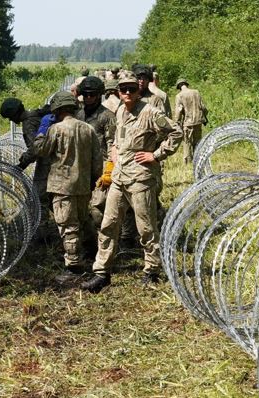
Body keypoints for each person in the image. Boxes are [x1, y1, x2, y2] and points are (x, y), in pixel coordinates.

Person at [81, 74, 183, 293]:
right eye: (123, 89)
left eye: (131, 89)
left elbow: (176, 132)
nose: (127, 93)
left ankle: (151, 270)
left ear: (138, 90)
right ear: (118, 91)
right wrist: (114, 154)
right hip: (120, 176)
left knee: (145, 227)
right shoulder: (120, 110)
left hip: (141, 177)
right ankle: (101, 272)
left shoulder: (149, 112)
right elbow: (117, 138)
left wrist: (155, 154)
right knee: (109, 224)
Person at [32, 92, 103, 281]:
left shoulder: (56, 129)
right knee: (83, 219)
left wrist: (41, 133)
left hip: (62, 186)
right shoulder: (88, 129)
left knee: (68, 226)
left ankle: (73, 266)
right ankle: (93, 252)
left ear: (57, 109)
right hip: (83, 184)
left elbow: (41, 150)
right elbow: (98, 160)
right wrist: (92, 179)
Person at [0, 97, 55, 240]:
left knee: (38, 196)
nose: (11, 121)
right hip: (57, 158)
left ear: (14, 115)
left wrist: (21, 165)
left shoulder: (28, 123)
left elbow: (35, 150)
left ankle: (41, 233)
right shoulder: (38, 114)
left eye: (10, 118)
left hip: (47, 162)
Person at [76, 76, 118, 256]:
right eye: (85, 94)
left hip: (101, 169)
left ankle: (106, 247)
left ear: (99, 95)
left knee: (97, 208)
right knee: (81, 211)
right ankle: (90, 245)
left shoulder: (107, 116)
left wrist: (109, 169)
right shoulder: (78, 114)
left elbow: (112, 144)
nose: (88, 97)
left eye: (92, 94)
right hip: (80, 169)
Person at [173, 78, 209, 164]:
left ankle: (188, 162)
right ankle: (198, 160)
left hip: (187, 123)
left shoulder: (179, 96)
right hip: (198, 121)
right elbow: (203, 107)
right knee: (197, 142)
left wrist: (176, 123)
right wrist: (204, 117)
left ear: (179, 86)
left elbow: (178, 112)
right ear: (186, 84)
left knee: (187, 143)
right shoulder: (196, 92)